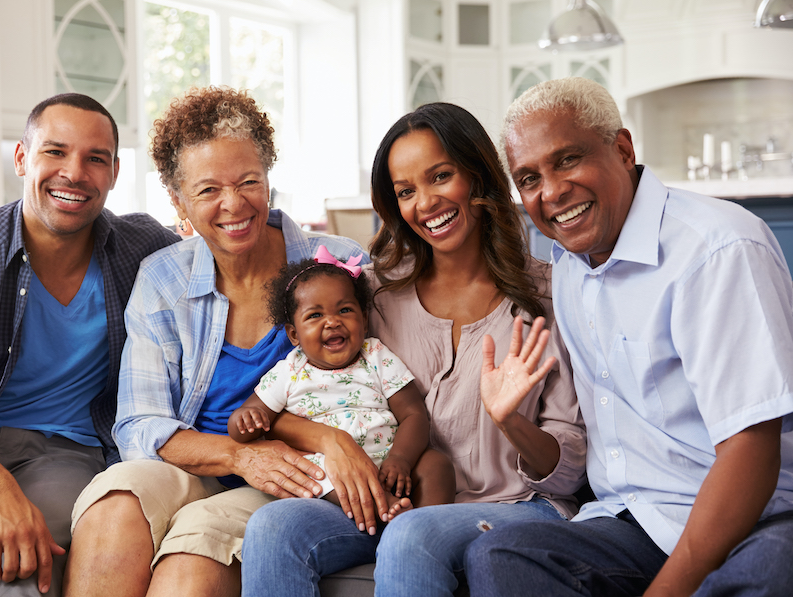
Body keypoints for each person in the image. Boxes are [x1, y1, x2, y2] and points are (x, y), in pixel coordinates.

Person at [465, 77, 793, 597]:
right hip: (637, 520)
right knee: (501, 556)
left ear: (621, 149)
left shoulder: (718, 248)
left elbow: (750, 449)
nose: (550, 192)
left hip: (756, 519)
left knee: (770, 572)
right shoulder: (570, 266)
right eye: (529, 178)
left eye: (567, 160)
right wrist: (512, 422)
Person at [241, 102, 586, 597]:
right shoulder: (373, 297)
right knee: (274, 526)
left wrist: (511, 421)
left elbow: (568, 469)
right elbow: (306, 389)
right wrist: (329, 441)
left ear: (478, 175)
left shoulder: (549, 297)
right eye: (406, 191)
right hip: (396, 503)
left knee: (411, 533)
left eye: (440, 176)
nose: (425, 203)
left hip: (515, 507)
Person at [62, 86, 368, 597]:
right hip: (196, 464)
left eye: (249, 181)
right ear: (178, 200)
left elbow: (385, 382)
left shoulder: (337, 266)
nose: (234, 204)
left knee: (194, 552)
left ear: (269, 177)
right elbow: (139, 424)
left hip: (296, 477)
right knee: (116, 501)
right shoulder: (163, 279)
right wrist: (238, 455)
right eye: (207, 191)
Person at [0, 93, 181, 596]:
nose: (75, 172)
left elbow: (229, 252)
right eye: (55, 152)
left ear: (113, 173)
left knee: (32, 555)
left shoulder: (142, 249)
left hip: (66, 453)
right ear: (23, 157)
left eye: (96, 158)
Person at [228, 246, 455, 513]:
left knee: (437, 464)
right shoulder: (289, 371)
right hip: (333, 468)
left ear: (365, 320)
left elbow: (414, 415)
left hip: (391, 463)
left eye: (345, 310)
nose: (332, 322)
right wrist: (245, 420)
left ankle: (425, 526)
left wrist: (401, 459)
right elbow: (248, 419)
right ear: (293, 335)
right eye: (315, 315)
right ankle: (387, 510)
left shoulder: (376, 356)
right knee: (317, 473)